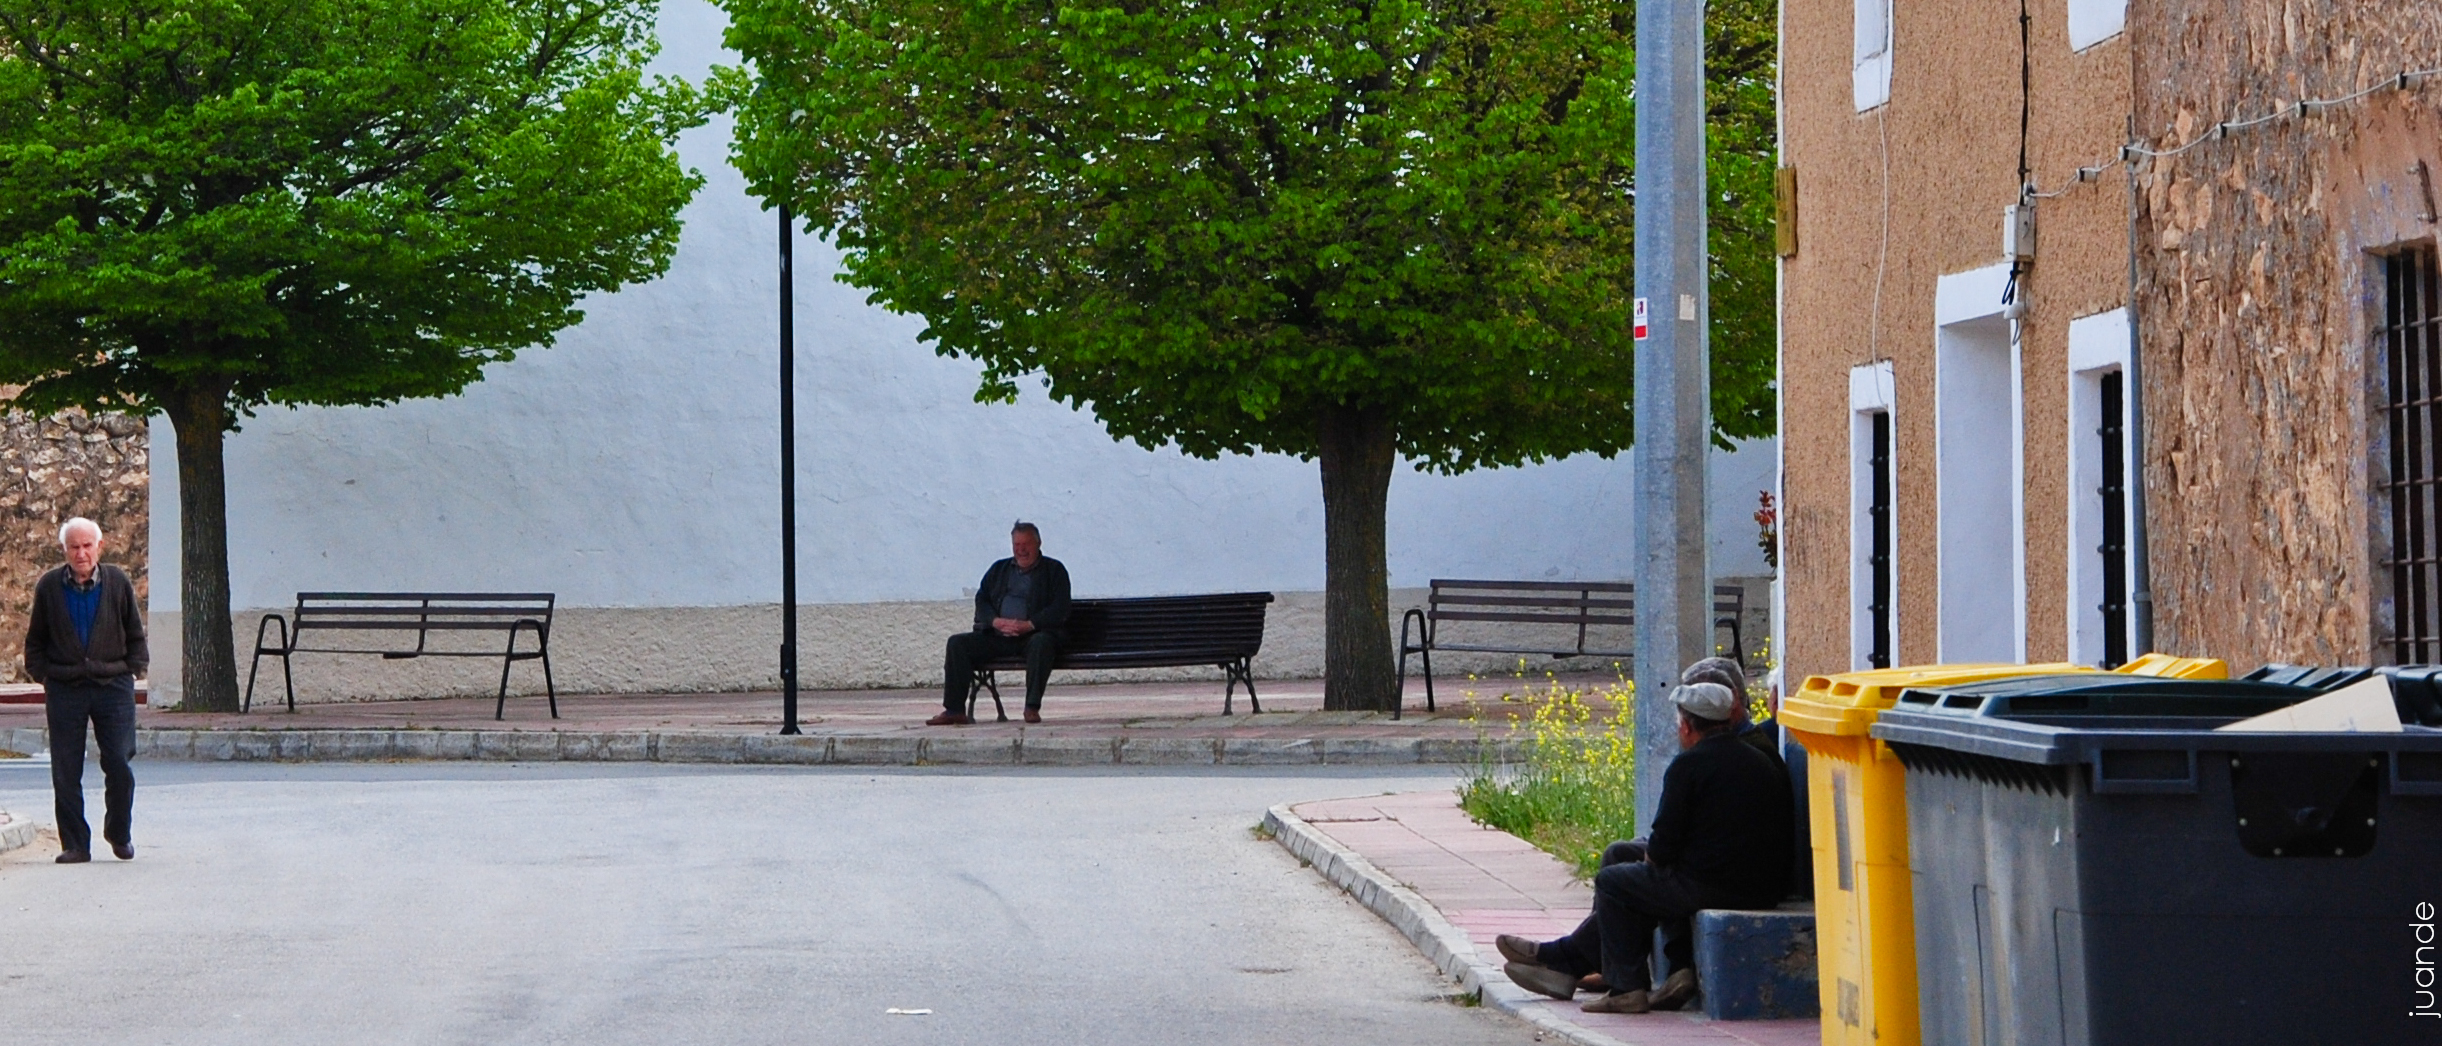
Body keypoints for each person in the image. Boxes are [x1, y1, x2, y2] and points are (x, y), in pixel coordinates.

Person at [1495, 681, 1795, 1013]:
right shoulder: (1759, 759)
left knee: (1614, 882)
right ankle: (1573, 966)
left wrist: (1655, 862)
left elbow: (1663, 847)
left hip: (1717, 886)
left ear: (1686, 725)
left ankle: (1621, 986)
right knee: (1621, 854)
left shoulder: (1689, 765)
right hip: (1760, 885)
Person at [23, 517, 149, 864]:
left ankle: (119, 833)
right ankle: (76, 844)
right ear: (64, 550)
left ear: (99, 547)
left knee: (119, 762)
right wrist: (45, 675)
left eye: (87, 546)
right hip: (65, 687)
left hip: (113, 685)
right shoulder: (49, 587)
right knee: (66, 768)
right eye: (74, 547)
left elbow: (134, 631)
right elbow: (35, 640)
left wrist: (133, 668)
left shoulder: (117, 581)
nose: (81, 553)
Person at [928, 522, 1071, 726]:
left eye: (1026, 544)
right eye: (1017, 545)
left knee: (1042, 643)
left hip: (1033, 636)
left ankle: (1031, 707)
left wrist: (1030, 624)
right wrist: (996, 621)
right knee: (957, 643)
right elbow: (982, 599)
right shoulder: (998, 569)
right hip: (998, 636)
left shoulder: (1054, 570)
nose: (1021, 550)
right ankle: (954, 710)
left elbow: (1060, 607)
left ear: (1038, 543)